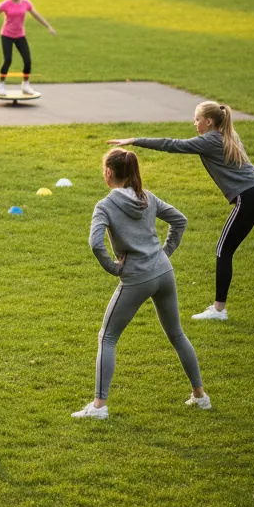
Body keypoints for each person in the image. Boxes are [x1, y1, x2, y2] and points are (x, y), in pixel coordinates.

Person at [71, 148, 210, 420]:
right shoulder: (147, 197)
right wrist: (163, 254)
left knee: (107, 336)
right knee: (177, 334)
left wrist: (113, 267)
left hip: (136, 277)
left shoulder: (105, 205)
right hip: (164, 273)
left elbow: (94, 243)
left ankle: (99, 407)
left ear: (109, 173)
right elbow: (179, 220)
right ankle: (200, 396)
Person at [108, 100, 254, 321]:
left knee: (223, 250)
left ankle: (219, 310)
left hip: (249, 197)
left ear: (208, 121)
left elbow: (172, 144)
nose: (194, 123)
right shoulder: (228, 134)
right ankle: (219, 310)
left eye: (197, 119)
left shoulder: (209, 140)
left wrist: (135, 140)